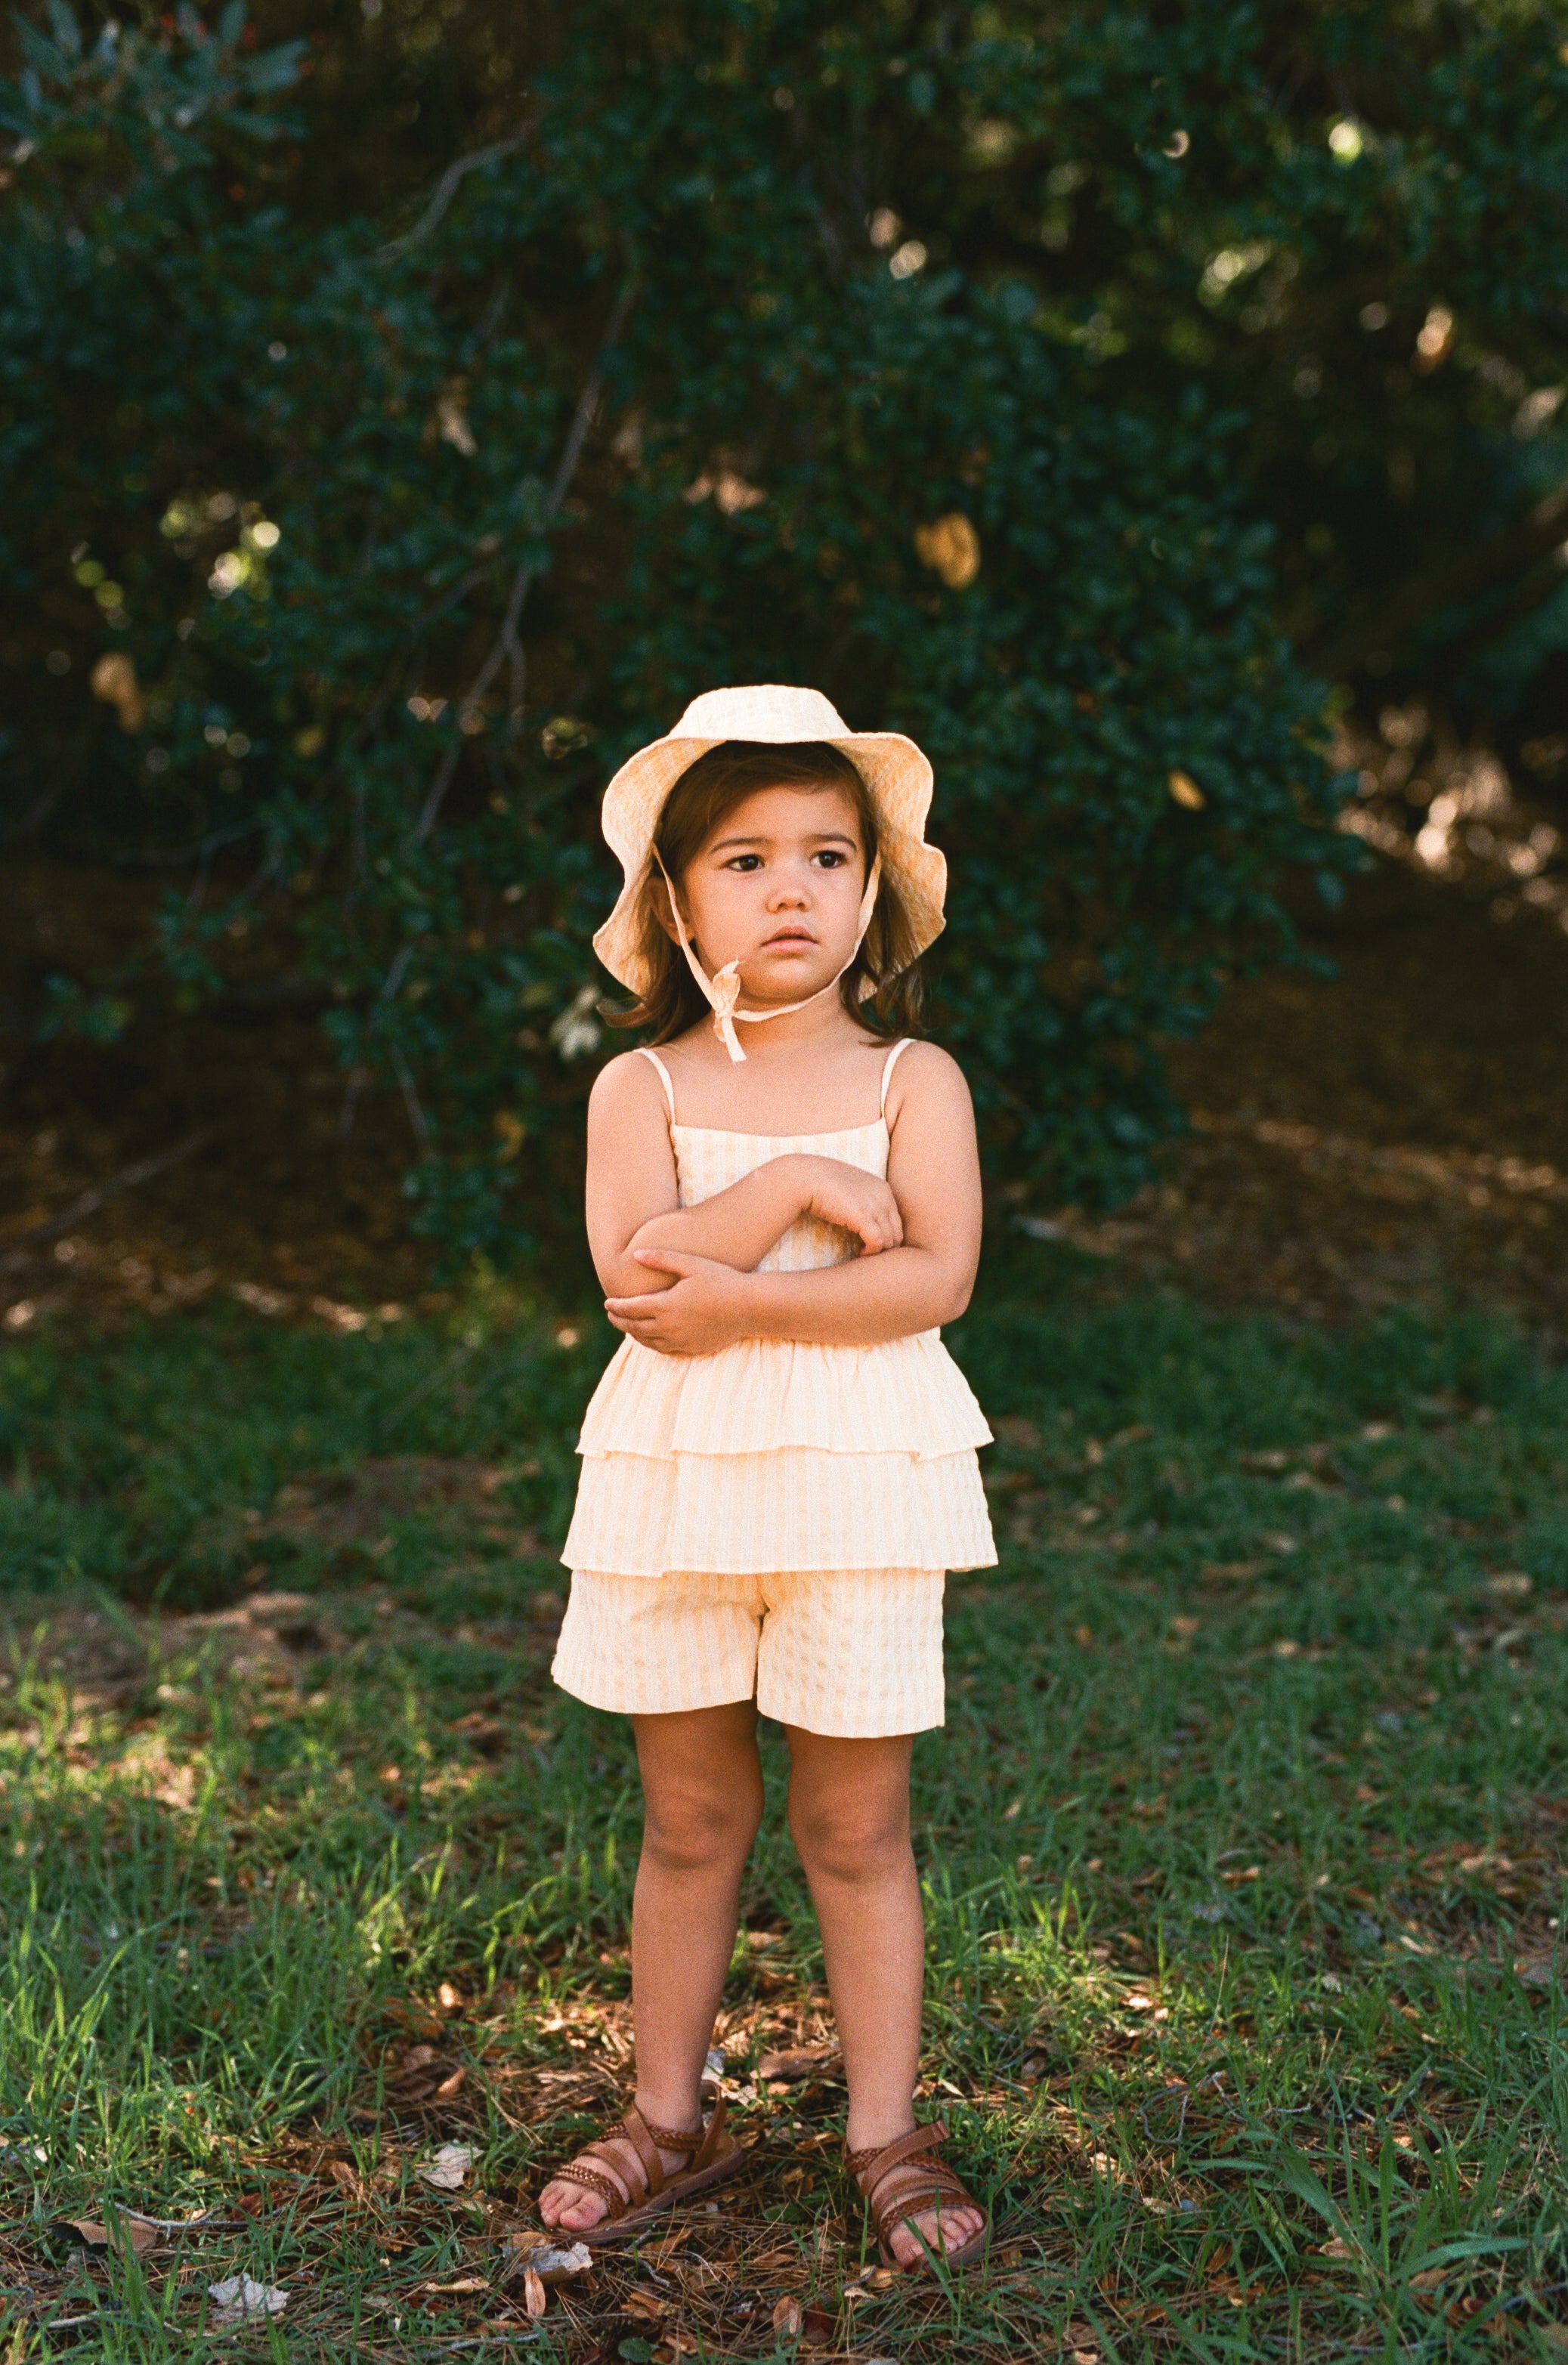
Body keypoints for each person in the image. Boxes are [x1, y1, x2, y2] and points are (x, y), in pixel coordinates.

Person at [537, 685, 997, 2272]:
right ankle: (670, 2107)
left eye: (826, 854)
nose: (790, 885)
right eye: (743, 857)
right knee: (688, 1810)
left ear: (874, 891)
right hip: (678, 1484)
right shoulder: (641, 1091)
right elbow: (639, 1273)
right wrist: (797, 1185)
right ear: (673, 901)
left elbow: (933, 1276)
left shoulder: (912, 1080)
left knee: (857, 1821)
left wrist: (743, 1297)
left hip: (863, 1484)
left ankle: (885, 2126)